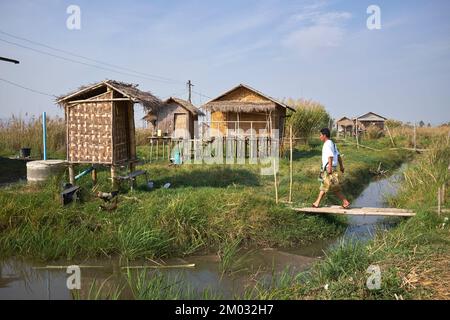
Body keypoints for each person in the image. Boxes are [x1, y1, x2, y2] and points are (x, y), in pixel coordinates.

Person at [312, 128, 351, 209]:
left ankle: (345, 202)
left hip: (329, 168)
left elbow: (330, 156)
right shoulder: (332, 143)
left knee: (329, 186)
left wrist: (329, 167)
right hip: (331, 167)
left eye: (320, 135)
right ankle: (317, 202)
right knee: (328, 186)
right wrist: (341, 166)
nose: (320, 137)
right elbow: (338, 156)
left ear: (324, 135)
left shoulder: (327, 144)